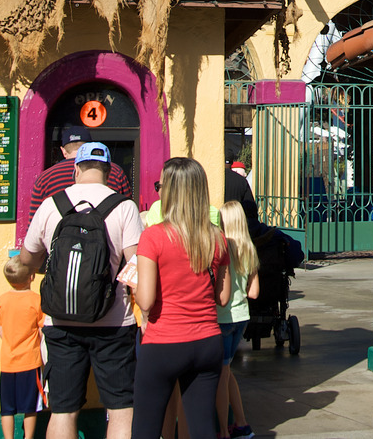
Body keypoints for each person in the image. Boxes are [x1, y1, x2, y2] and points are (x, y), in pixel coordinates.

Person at [21, 142, 142, 439]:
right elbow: (137, 265)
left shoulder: (52, 204)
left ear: (76, 169)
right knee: (122, 408)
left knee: (63, 410)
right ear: (110, 171)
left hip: (60, 323)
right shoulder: (124, 206)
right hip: (114, 323)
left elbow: (27, 260)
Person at [131, 158, 230, 439]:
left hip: (164, 342)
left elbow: (147, 301)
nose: (158, 192)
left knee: (145, 429)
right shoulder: (217, 238)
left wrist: (134, 286)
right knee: (202, 427)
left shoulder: (153, 237)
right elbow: (223, 297)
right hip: (207, 341)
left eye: (160, 185)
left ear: (172, 191)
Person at [216, 201, 259, 439]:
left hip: (222, 317)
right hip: (241, 316)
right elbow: (253, 292)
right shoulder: (249, 248)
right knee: (227, 371)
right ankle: (241, 423)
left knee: (221, 375)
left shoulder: (222, 248)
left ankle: (223, 430)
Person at [0, 257, 44, 439]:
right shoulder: (36, 300)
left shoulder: (2, 300)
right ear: (31, 277)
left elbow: (0, 329)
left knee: (7, 407)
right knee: (30, 406)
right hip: (30, 361)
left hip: (7, 362)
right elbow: (43, 329)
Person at [29, 126, 132, 220]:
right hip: (107, 237)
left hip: (58, 239)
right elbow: (128, 211)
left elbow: (33, 225)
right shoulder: (115, 171)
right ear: (90, 147)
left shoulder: (45, 178)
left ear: (63, 151)